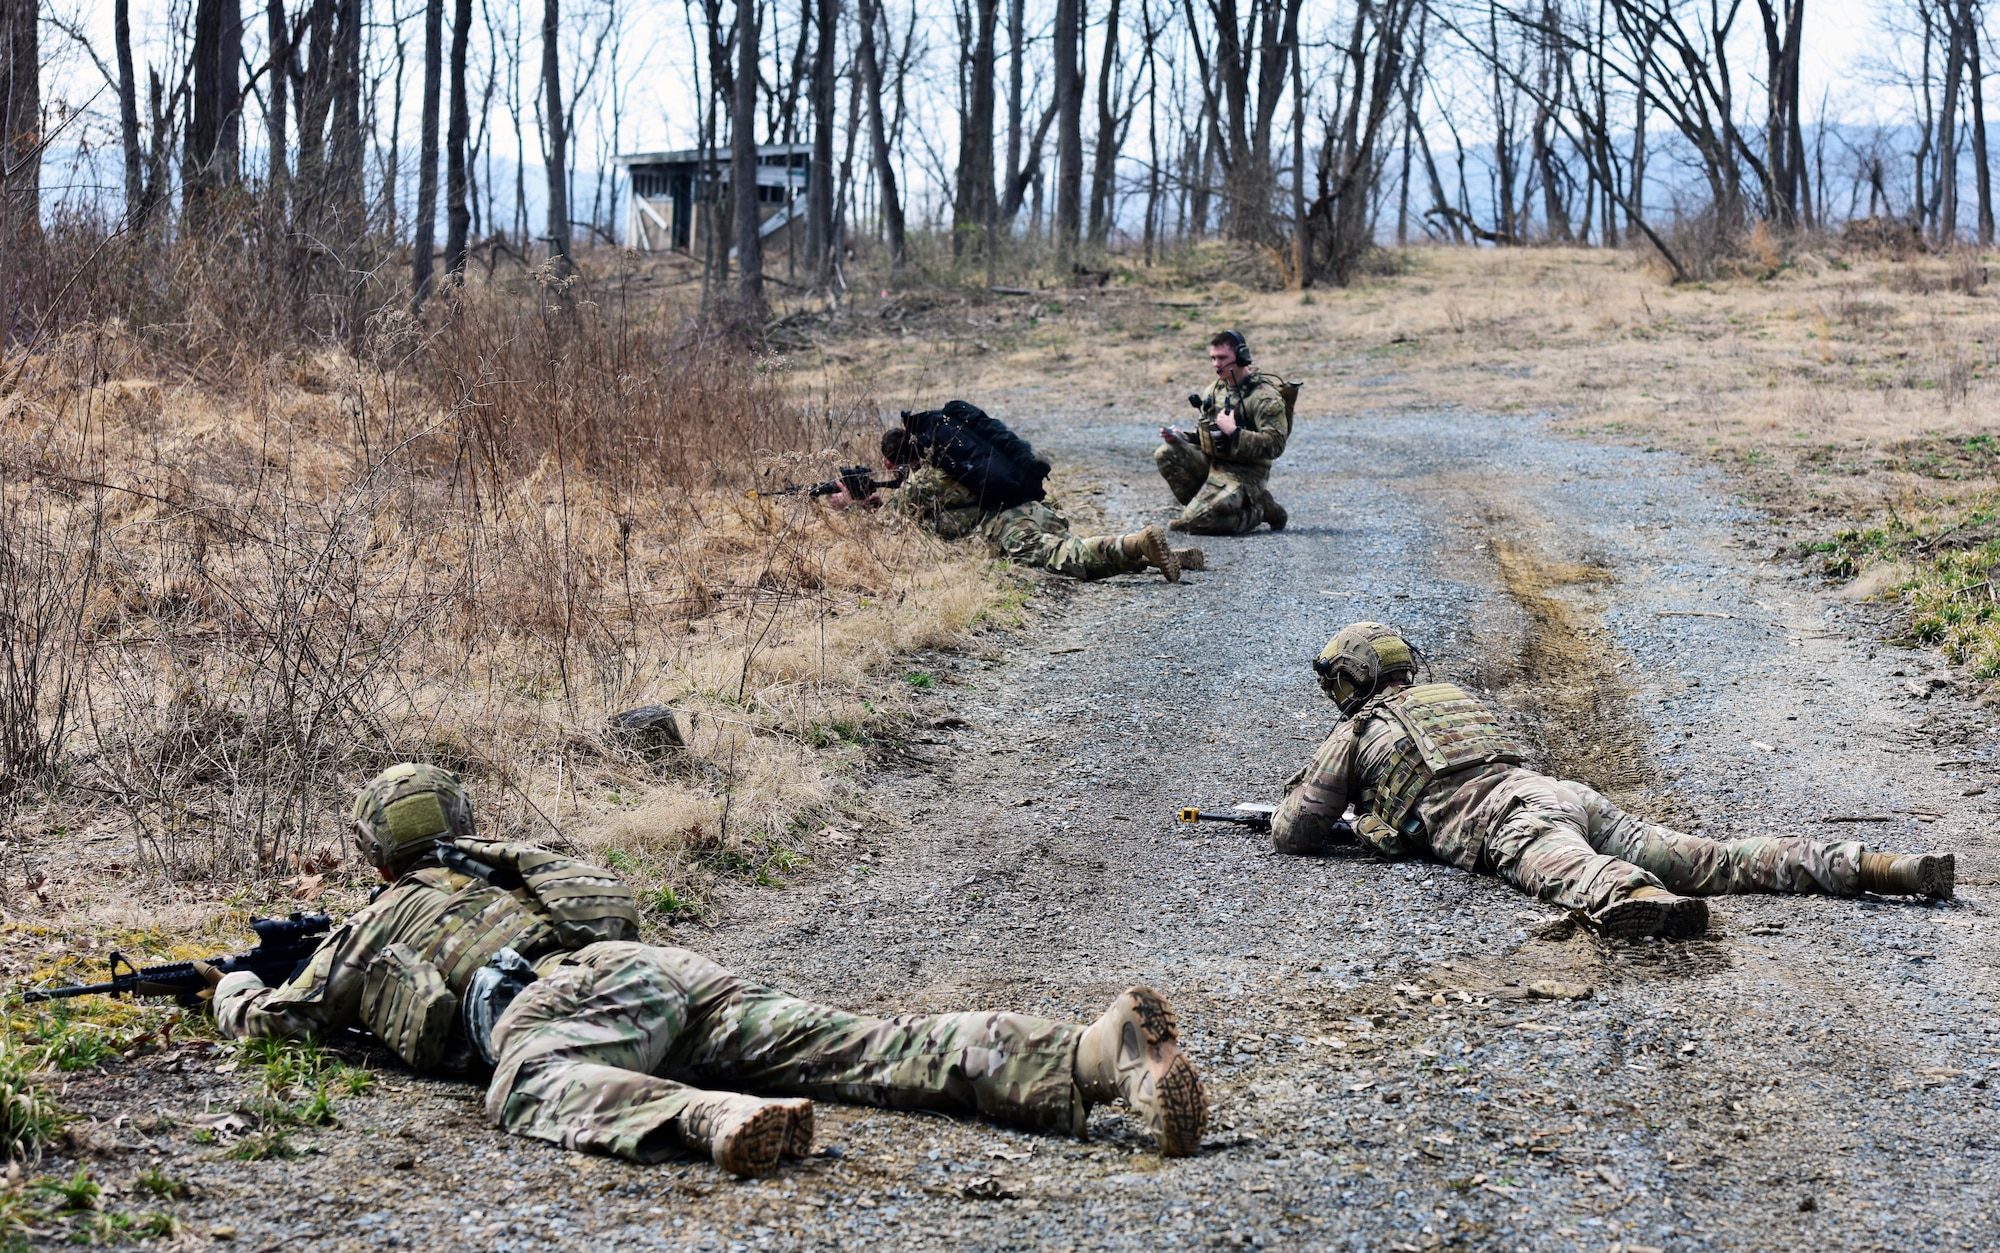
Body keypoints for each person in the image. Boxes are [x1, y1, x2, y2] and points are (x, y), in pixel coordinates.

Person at [206, 764, 1208, 1177]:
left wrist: (230, 986)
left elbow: (281, 1024)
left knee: (525, 1081)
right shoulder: (512, 863)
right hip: (653, 970)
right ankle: (1090, 1052)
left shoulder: (378, 917)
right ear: (462, 824)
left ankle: (705, 1116)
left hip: (557, 1010)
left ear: (376, 856)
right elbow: (616, 906)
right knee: (859, 1040)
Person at [1268, 623, 1956, 940]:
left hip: (1511, 821)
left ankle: (1643, 902)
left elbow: (1298, 828)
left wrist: (1310, 813)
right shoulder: (1452, 697)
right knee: (1712, 857)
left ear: (1349, 680)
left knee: (1587, 877)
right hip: (1566, 794)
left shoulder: (1357, 732)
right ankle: (1876, 865)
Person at [834, 401, 1202, 582]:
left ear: (890, 463)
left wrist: (850, 506)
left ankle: (1138, 544)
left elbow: (887, 530)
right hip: (1036, 508)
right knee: (1075, 549)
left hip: (1010, 526)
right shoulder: (952, 465)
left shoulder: (924, 483)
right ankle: (1152, 555)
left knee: (1064, 557)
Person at [1153, 330, 1292, 535]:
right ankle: (1202, 508)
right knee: (1165, 453)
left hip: (1247, 472)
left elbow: (1276, 445)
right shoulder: (1214, 390)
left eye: (1222, 358)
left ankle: (1261, 510)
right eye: (1213, 358)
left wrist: (1236, 433)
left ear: (1242, 357)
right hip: (1214, 463)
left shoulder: (1264, 397)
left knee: (1198, 523)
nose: (1216, 364)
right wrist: (1186, 437)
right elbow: (1209, 433)